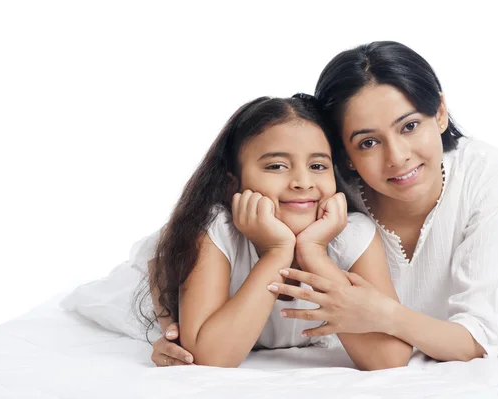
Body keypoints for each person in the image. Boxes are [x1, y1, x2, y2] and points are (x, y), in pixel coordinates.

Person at [153, 40, 498, 365]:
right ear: (345, 153)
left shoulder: (480, 174)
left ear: (440, 113)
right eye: (367, 142)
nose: (397, 157)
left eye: (409, 125)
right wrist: (169, 317)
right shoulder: (323, 187)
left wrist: (383, 313)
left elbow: (477, 337)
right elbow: (173, 241)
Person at [142, 94, 412, 369]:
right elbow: (209, 359)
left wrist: (314, 254)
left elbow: (389, 359)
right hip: (148, 285)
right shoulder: (216, 228)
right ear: (232, 184)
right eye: (276, 166)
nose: (302, 182)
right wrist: (276, 253)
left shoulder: (352, 234)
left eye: (317, 166)